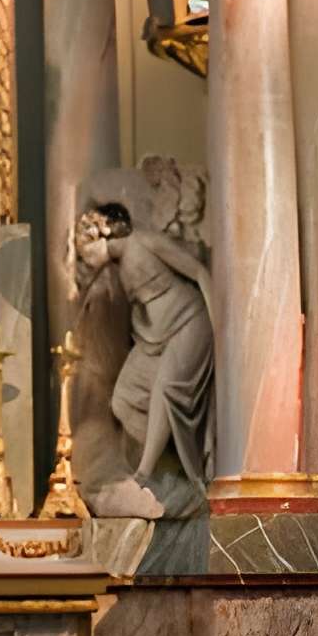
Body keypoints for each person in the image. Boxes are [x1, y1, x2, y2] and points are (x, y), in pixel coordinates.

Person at [74, 196, 215, 517]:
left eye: (84, 243)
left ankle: (148, 474)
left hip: (189, 322)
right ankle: (155, 468)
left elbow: (198, 272)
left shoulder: (146, 242)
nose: (83, 253)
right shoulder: (116, 269)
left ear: (103, 232)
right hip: (155, 339)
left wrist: (220, 326)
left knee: (166, 390)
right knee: (123, 398)